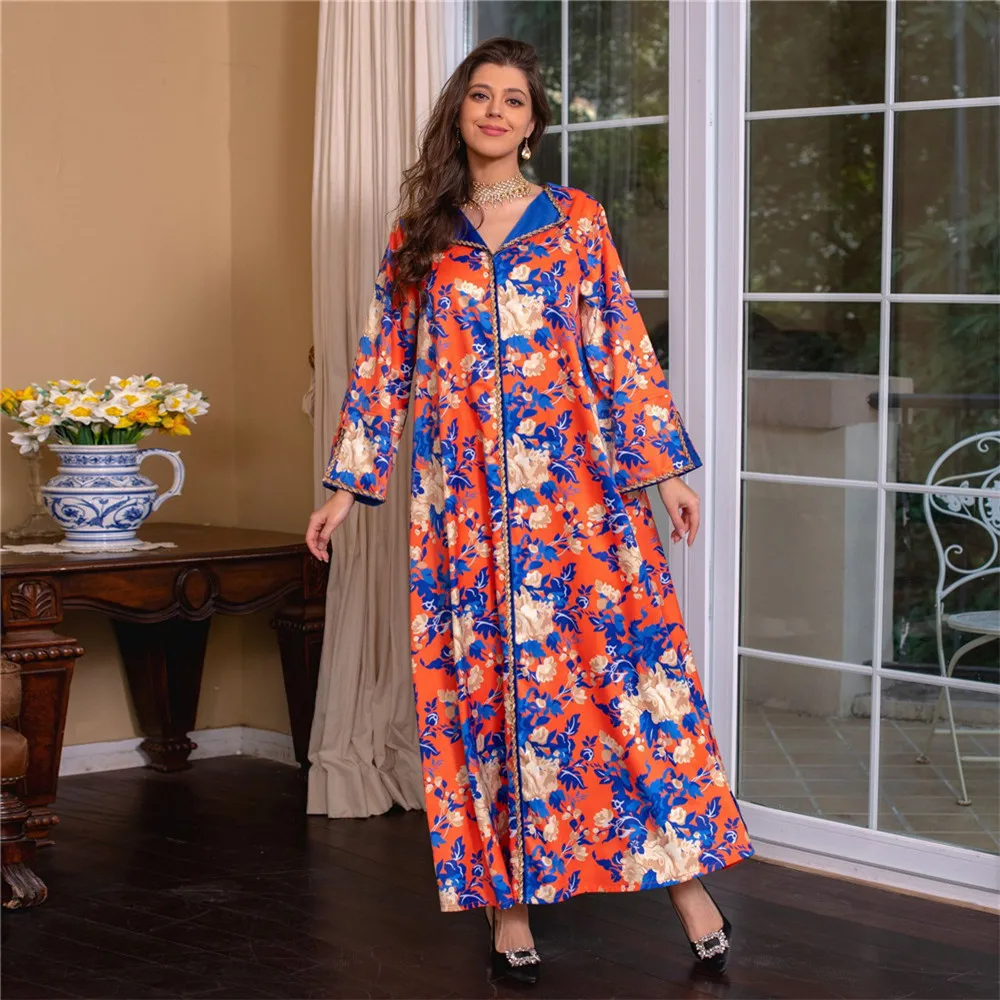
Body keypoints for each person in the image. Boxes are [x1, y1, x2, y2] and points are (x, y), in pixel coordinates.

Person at [306, 36, 754, 987]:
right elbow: (385, 362)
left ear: (534, 124)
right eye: (481, 95)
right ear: (460, 111)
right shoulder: (421, 231)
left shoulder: (576, 222)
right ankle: (507, 910)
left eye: (514, 100)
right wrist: (345, 487)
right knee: (484, 701)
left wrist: (665, 473)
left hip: (578, 499)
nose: (495, 112)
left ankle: (689, 889)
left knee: (625, 685)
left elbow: (618, 347)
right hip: (463, 509)